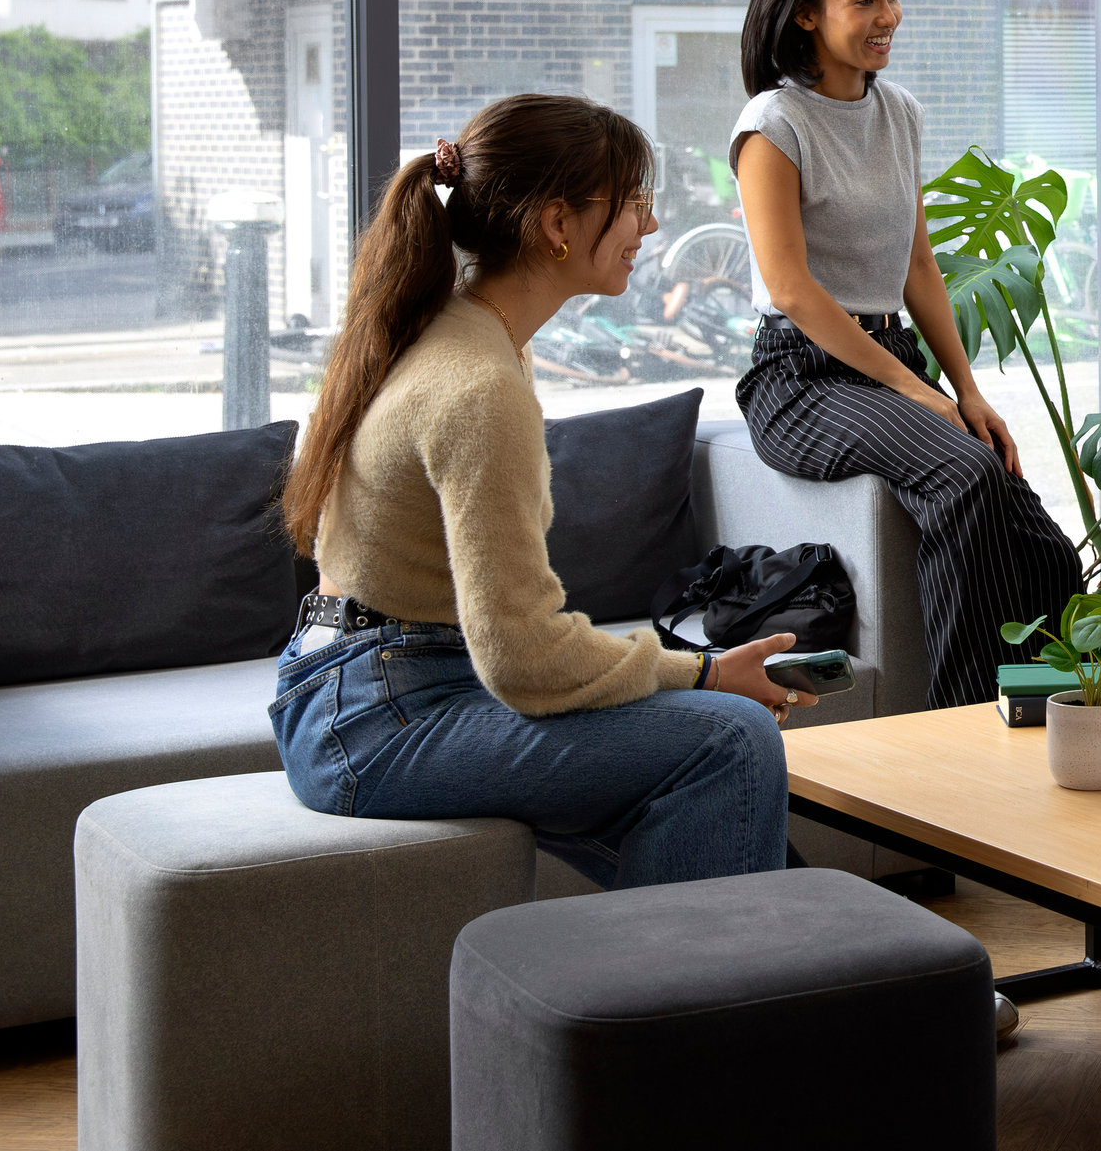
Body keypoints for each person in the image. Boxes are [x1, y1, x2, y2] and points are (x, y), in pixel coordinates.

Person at [270, 93, 803, 890]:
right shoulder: (480, 381)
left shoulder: (464, 334)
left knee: (721, 788)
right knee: (729, 741)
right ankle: (703, 1004)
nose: (650, 229)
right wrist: (702, 672)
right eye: (633, 205)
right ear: (558, 224)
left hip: (370, 681)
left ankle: (815, 981)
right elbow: (522, 655)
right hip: (377, 713)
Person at [731, 0, 1082, 710]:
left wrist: (965, 388)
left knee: (1052, 558)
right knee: (963, 475)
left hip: (891, 363)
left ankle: (1058, 729)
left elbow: (918, 264)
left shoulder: (900, 115)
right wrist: (919, 394)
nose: (888, 16)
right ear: (806, 12)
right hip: (801, 378)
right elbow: (791, 289)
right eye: (866, 0)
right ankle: (964, 729)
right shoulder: (772, 125)